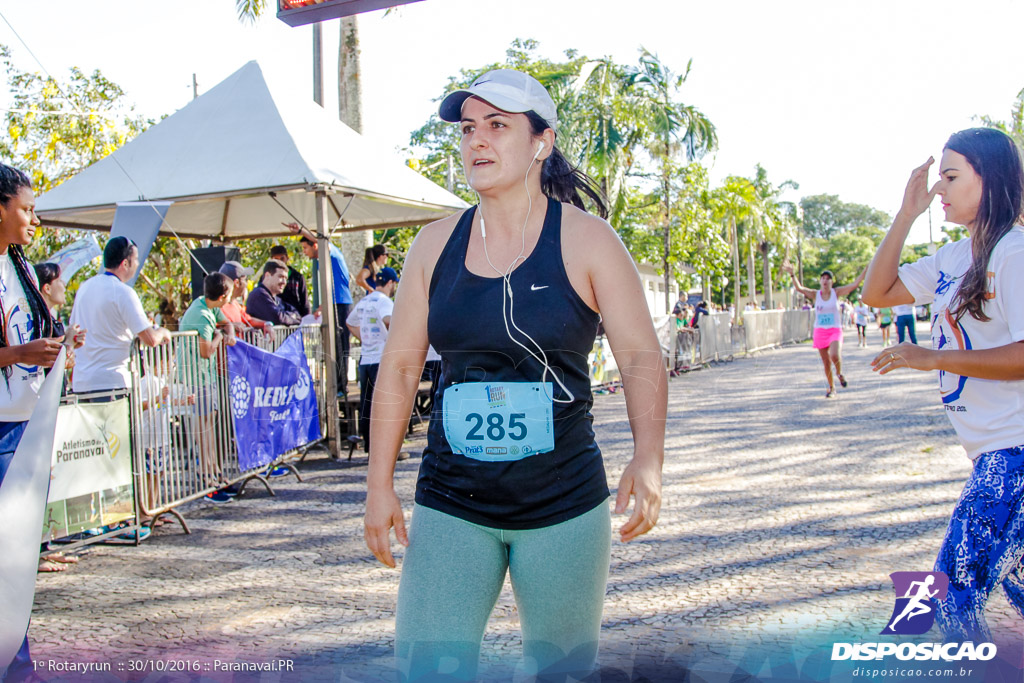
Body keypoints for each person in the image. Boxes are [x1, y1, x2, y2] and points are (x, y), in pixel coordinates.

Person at [363, 69, 666, 681]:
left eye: (497, 126)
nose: (477, 140)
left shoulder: (589, 241)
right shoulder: (432, 245)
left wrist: (649, 458)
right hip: (453, 499)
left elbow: (640, 356)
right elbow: (398, 366)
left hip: (563, 503)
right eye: (469, 128)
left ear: (541, 142)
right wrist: (378, 484)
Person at [863, 128, 1024, 640]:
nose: (941, 190)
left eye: (952, 177)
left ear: (991, 179)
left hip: (1014, 452)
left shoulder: (1013, 253)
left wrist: (930, 356)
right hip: (992, 451)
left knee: (943, 596)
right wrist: (906, 215)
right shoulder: (955, 257)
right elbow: (876, 292)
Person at [0, 164, 70, 681]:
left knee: (15, 560)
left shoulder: (18, 268)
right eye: (25, 208)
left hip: (25, 423)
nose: (33, 219)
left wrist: (58, 347)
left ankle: (17, 663)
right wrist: (17, 353)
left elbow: (30, 338)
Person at [69, 236, 170, 395]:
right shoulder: (123, 292)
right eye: (136, 259)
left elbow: (73, 330)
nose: (138, 264)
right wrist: (164, 332)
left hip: (82, 383)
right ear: (125, 263)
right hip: (111, 382)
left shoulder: (84, 287)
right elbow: (151, 339)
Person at [178, 272, 236, 493]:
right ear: (223, 296)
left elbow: (226, 322)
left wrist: (227, 331)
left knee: (209, 423)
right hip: (196, 377)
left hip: (206, 376)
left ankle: (215, 471)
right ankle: (207, 475)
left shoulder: (208, 305)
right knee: (203, 427)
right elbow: (205, 351)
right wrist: (221, 336)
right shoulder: (201, 314)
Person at [283, 223, 353, 396]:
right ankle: (336, 384)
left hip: (341, 304)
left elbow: (322, 240)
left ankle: (341, 386)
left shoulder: (332, 253)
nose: (304, 252)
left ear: (314, 245)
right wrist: (322, 307)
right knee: (332, 346)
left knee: (340, 345)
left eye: (306, 247)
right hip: (333, 303)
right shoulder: (323, 261)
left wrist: (301, 230)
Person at [782, 262, 865, 398]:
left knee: (834, 355)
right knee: (826, 362)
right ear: (820, 281)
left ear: (832, 282)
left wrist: (865, 271)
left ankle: (839, 373)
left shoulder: (836, 293)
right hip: (820, 331)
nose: (825, 281)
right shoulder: (816, 294)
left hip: (834, 330)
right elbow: (799, 288)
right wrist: (792, 274)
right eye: (823, 278)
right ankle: (831, 388)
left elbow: (854, 285)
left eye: (828, 278)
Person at [346, 267, 399, 454]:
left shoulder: (364, 301)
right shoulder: (385, 302)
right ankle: (385, 448)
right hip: (381, 359)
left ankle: (370, 445)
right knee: (385, 404)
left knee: (367, 403)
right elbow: (388, 319)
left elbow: (350, 322)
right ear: (391, 283)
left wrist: (365, 338)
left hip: (366, 359)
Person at [217, 261, 268, 335]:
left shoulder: (235, 304)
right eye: (245, 280)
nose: (247, 284)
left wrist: (267, 324)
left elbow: (248, 320)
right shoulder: (216, 304)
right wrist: (230, 326)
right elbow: (209, 327)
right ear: (237, 283)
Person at [245, 260, 302, 327]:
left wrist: (287, 315)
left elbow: (298, 316)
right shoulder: (258, 295)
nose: (284, 282)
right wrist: (291, 316)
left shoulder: (277, 299)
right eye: (280, 277)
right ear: (268, 276)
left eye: (286, 278)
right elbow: (277, 319)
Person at [269, 244, 309, 317]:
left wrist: (306, 320)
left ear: (287, 258)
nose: (279, 262)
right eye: (276, 259)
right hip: (275, 317)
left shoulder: (297, 277)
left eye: (282, 258)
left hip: (295, 318)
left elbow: (305, 303)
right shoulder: (267, 278)